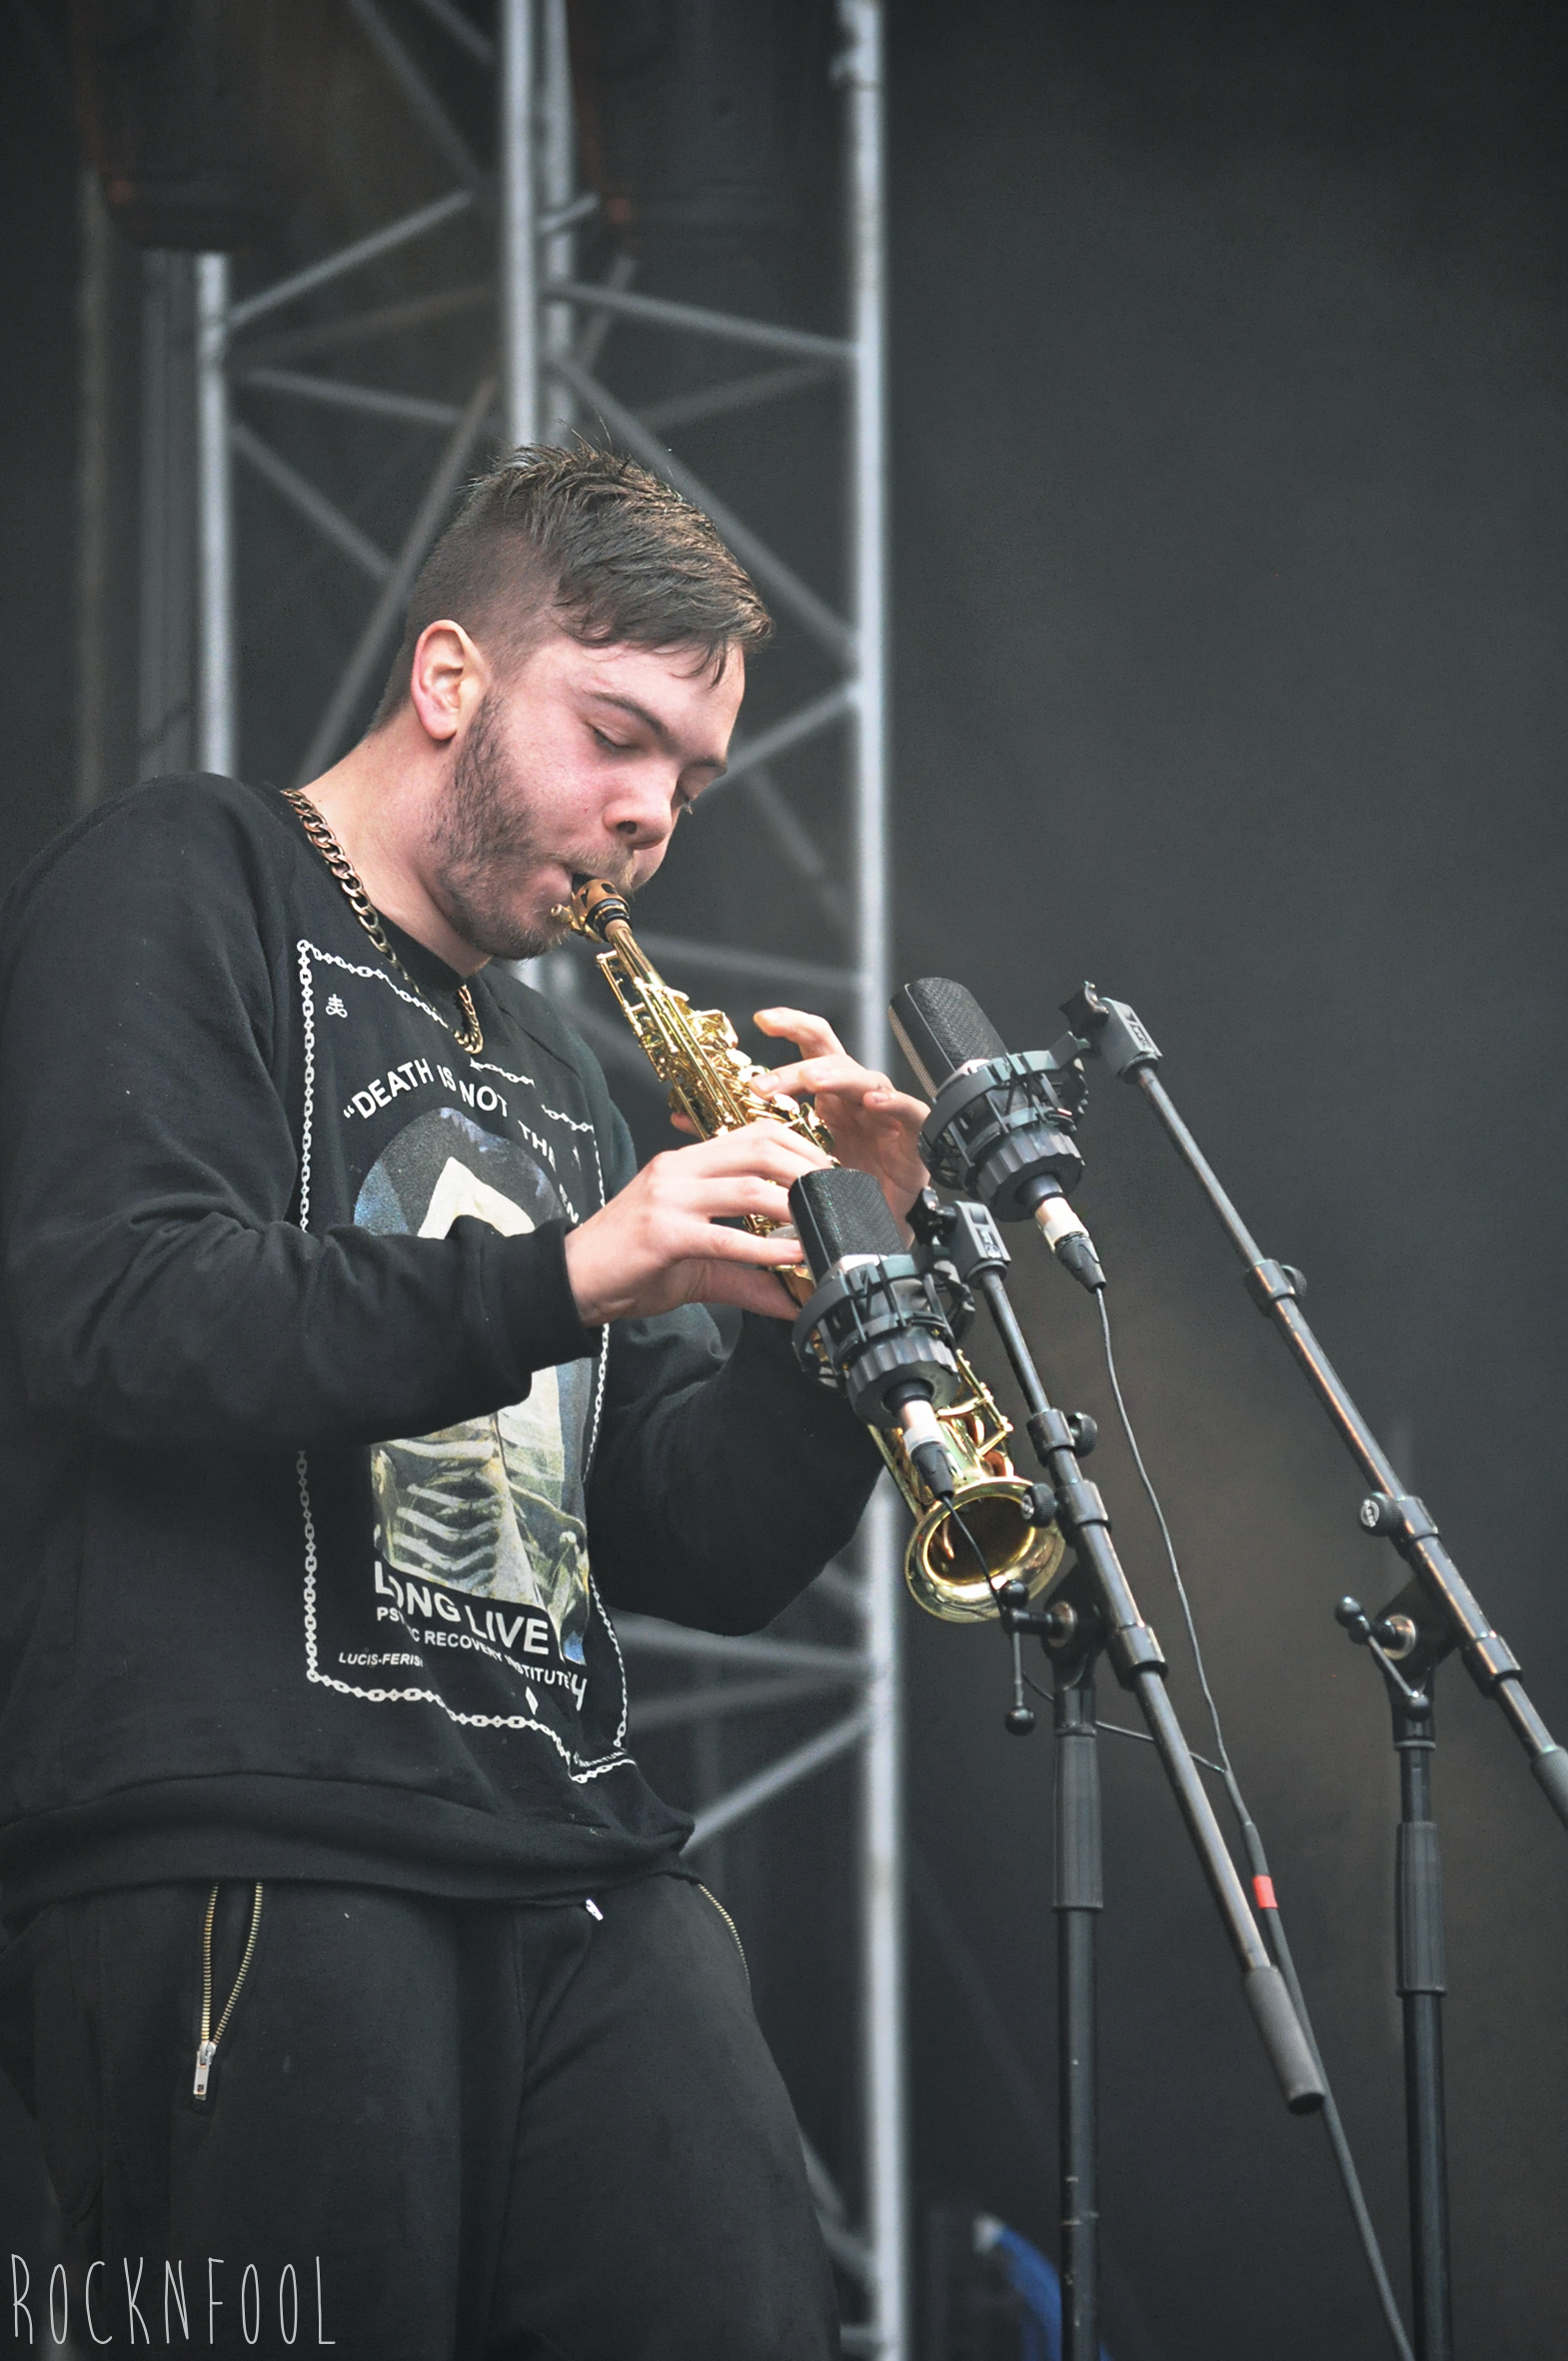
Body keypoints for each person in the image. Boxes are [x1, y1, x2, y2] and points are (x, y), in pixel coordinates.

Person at [0, 447, 929, 2358]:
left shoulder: (565, 1070)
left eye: (687, 778)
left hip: (577, 1857)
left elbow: (688, 1535)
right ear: (448, 678)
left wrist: (839, 1302)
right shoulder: (186, 872)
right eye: (615, 735)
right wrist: (567, 1270)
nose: (650, 812)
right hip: (256, 1835)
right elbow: (118, 1309)